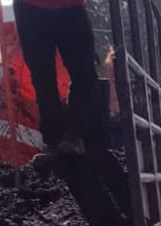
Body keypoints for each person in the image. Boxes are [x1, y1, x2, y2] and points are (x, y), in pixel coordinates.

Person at [13, 0, 102, 156]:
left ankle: (73, 135)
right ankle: (54, 139)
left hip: (70, 7)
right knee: (42, 77)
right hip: (30, 8)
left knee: (85, 74)